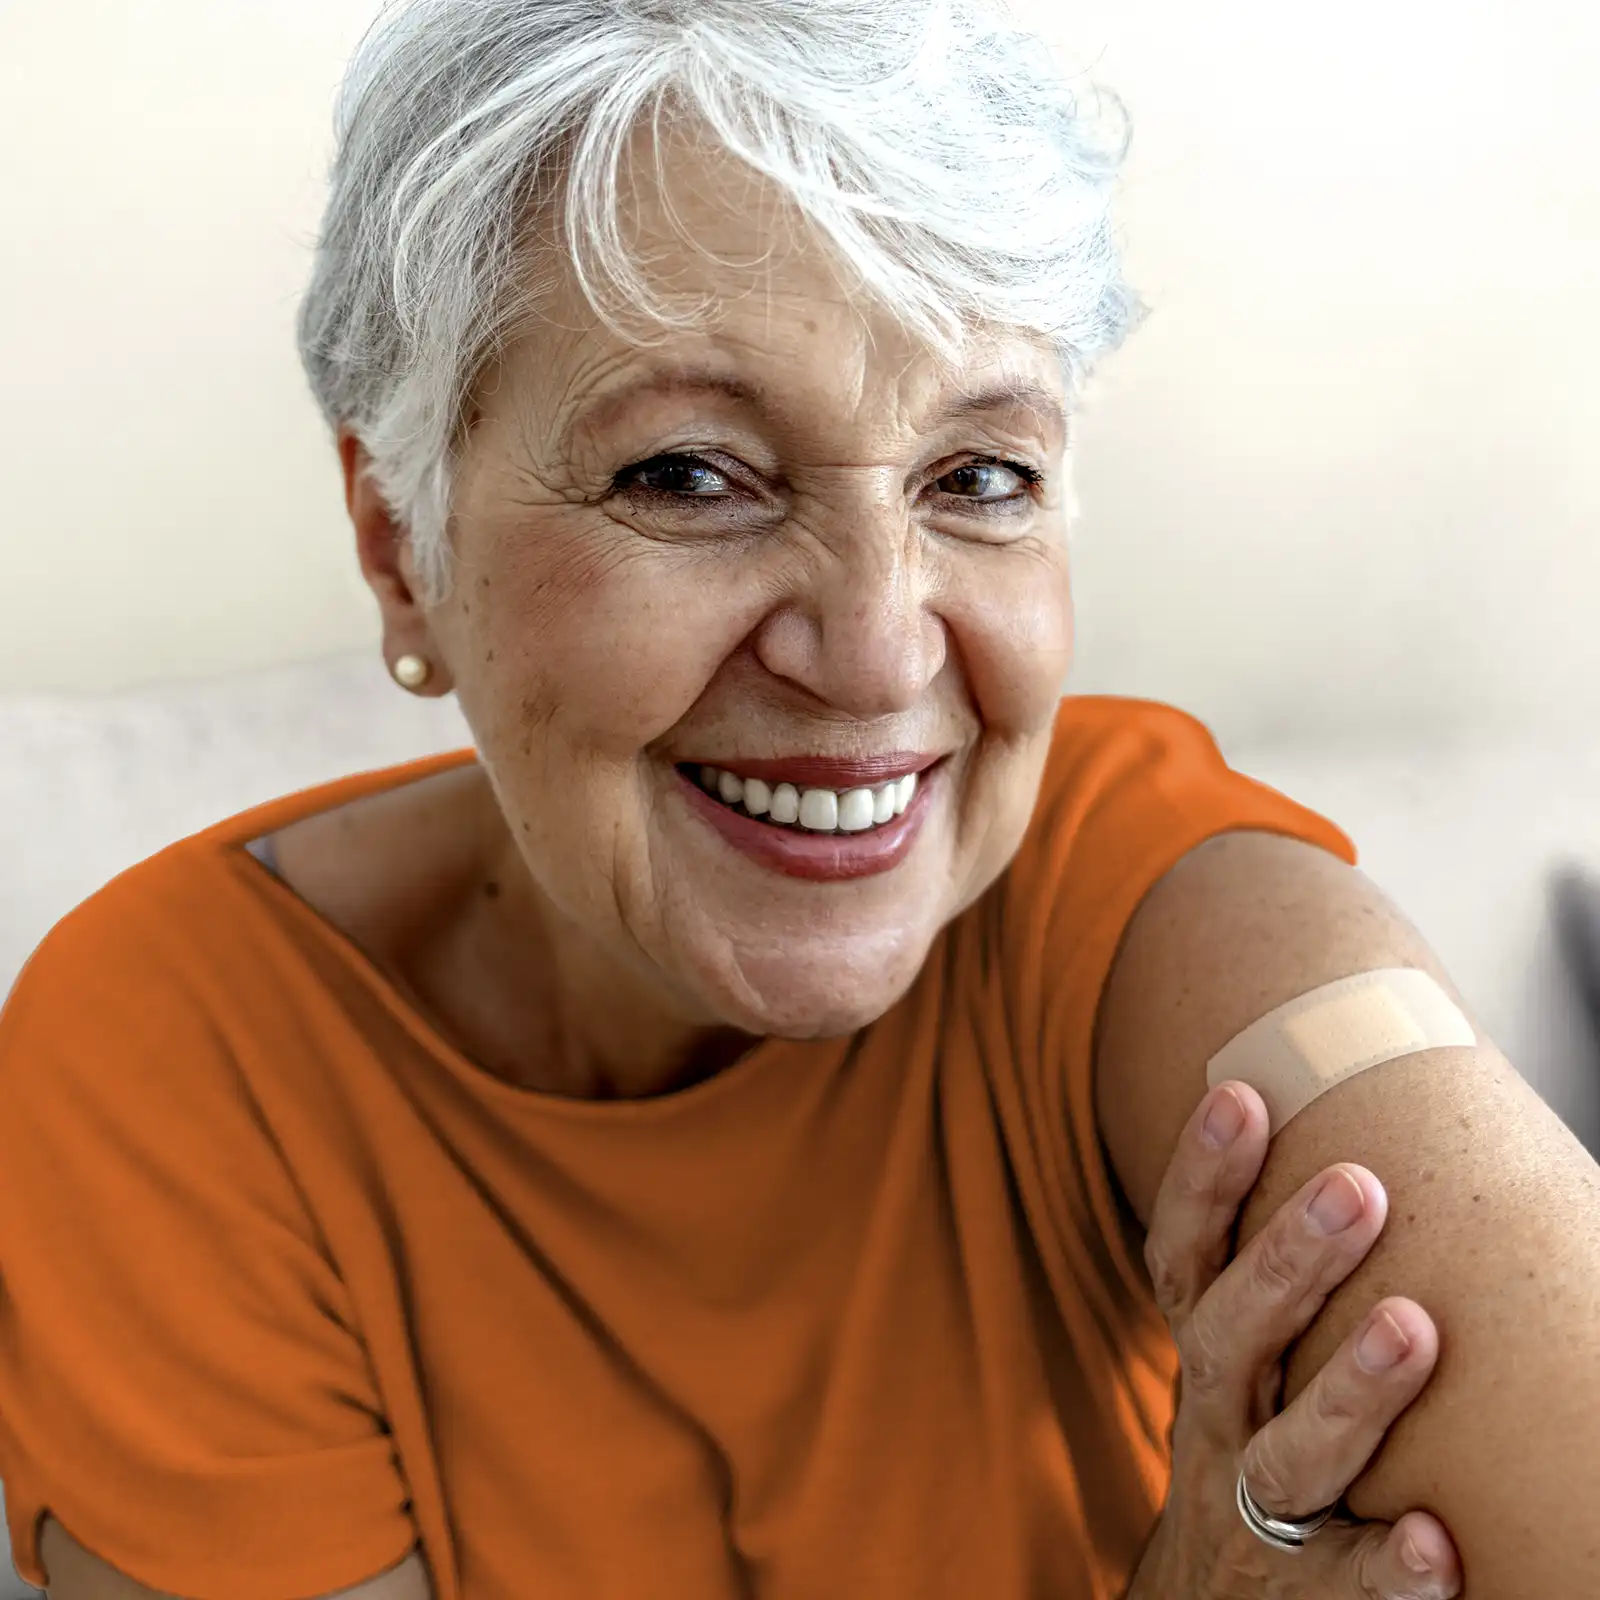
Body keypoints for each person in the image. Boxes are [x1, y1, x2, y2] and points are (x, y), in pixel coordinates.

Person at [2, 0, 1596, 1595]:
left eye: (978, 477)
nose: (876, 649)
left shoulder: (1157, 906)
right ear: (399, 545)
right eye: (690, 473)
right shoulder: (178, 1062)